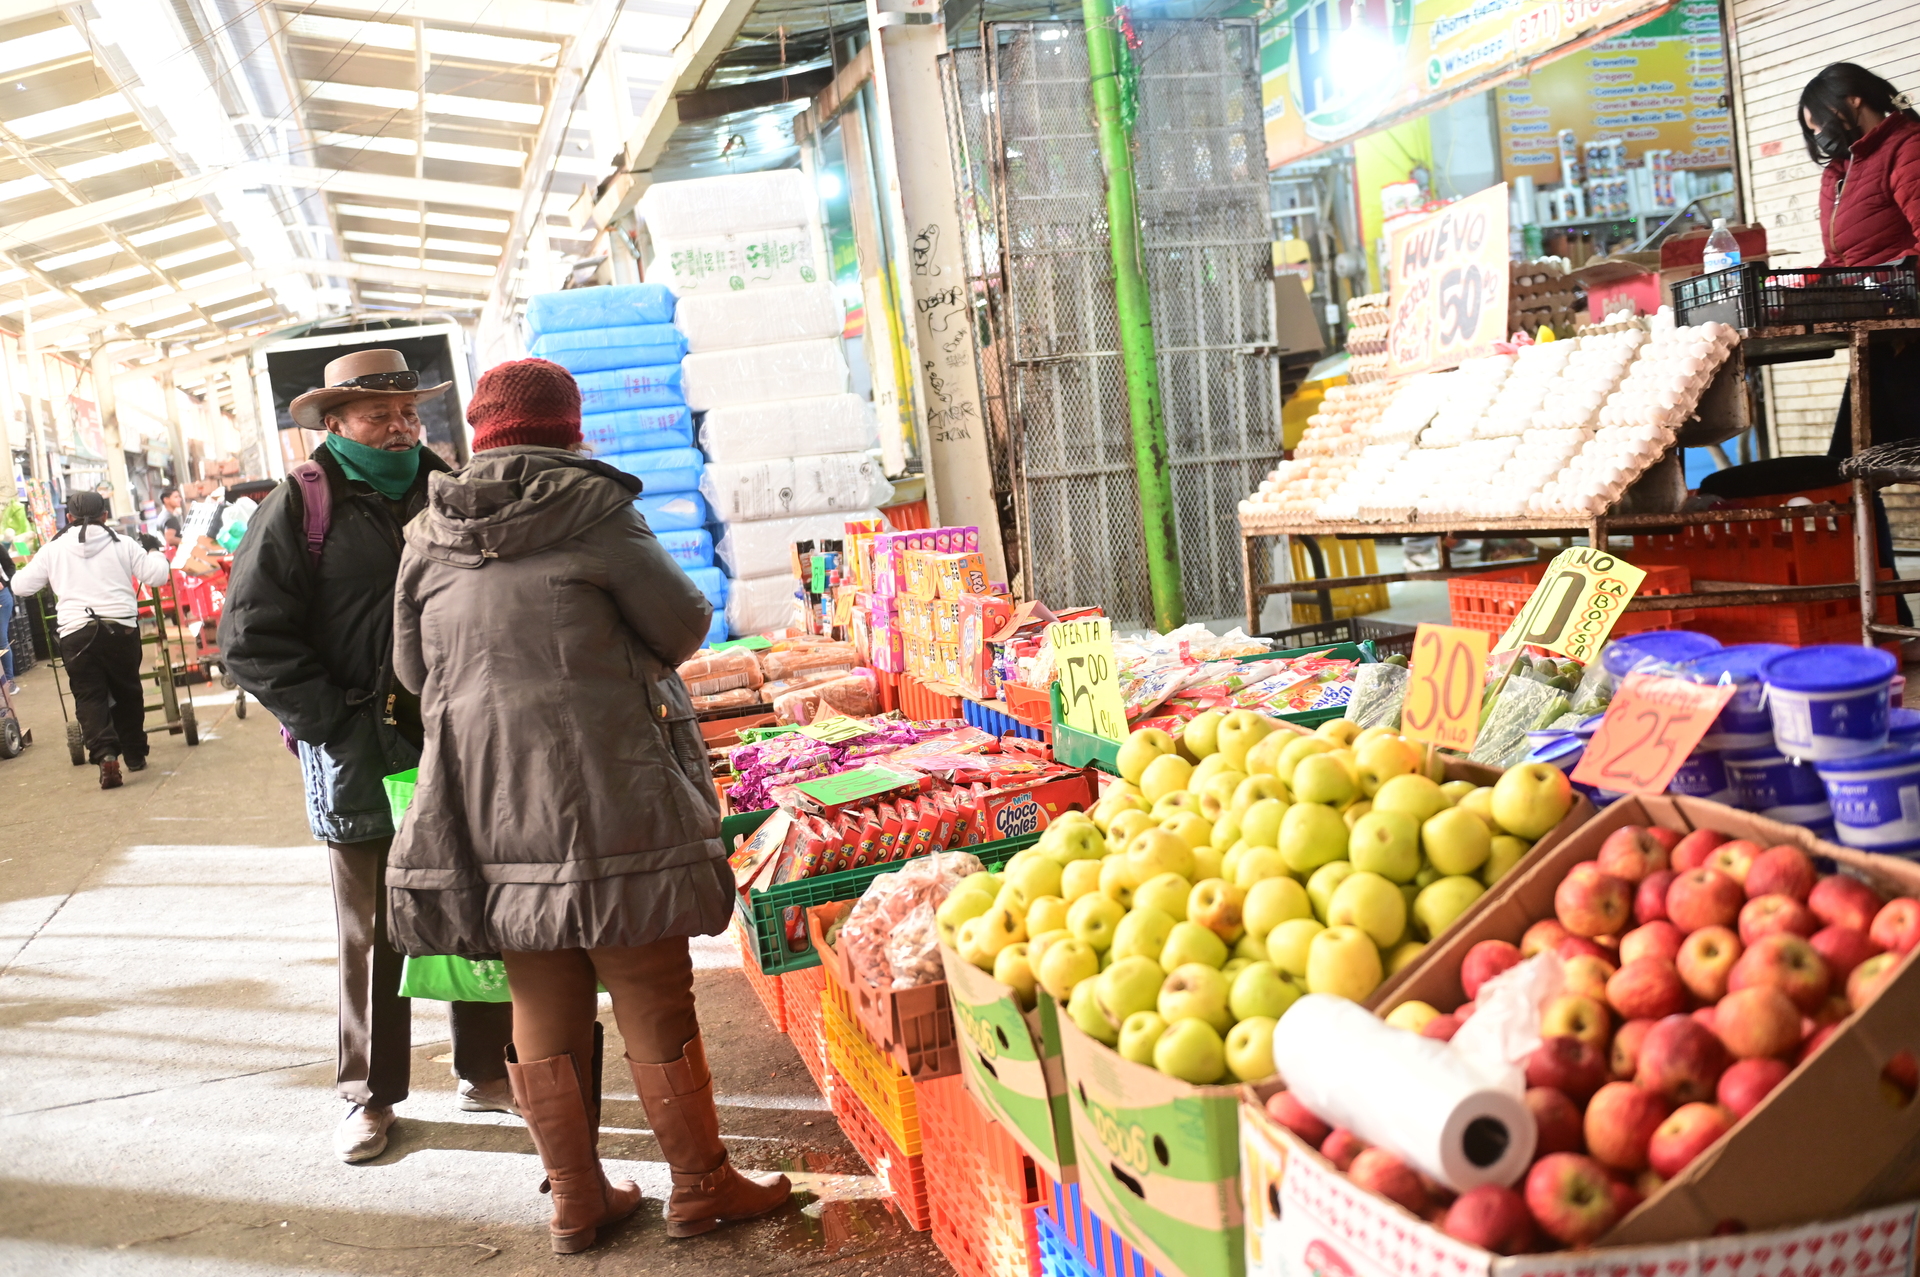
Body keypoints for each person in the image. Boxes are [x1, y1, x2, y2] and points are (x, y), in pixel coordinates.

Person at [386, 358, 790, 1253]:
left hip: (488, 797)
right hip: (611, 784)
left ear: (481, 435)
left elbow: (413, 673)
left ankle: (576, 1198)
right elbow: (683, 624)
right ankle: (700, 1183)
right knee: (648, 980)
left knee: (541, 984)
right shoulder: (596, 510)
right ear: (570, 429)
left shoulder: (427, 532)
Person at [222, 349, 516, 1165]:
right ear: (335, 422)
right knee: (374, 925)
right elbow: (247, 636)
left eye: (407, 411)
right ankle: (369, 1094)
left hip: (459, 737)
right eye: (378, 413)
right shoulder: (300, 505)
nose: (399, 425)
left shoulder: (446, 487)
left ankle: (486, 1069)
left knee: (476, 903)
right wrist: (336, 724)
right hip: (357, 749)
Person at [1802, 63, 1920, 623]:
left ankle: (1887, 618)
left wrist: (1888, 286)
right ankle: (1886, 619)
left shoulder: (1907, 146)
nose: (1817, 137)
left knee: (1850, 472)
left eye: (1818, 121)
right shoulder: (1842, 171)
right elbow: (1840, 260)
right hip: (1878, 348)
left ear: (1850, 103)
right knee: (1846, 474)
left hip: (1908, 343)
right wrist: (1801, 289)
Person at [12, 492, 170, 787]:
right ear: (105, 515)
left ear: (68, 518)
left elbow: (21, 586)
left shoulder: (52, 549)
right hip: (120, 630)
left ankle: (106, 755)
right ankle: (135, 755)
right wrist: (155, 551)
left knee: (89, 696)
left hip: (75, 635)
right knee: (127, 691)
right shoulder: (124, 544)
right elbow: (158, 576)